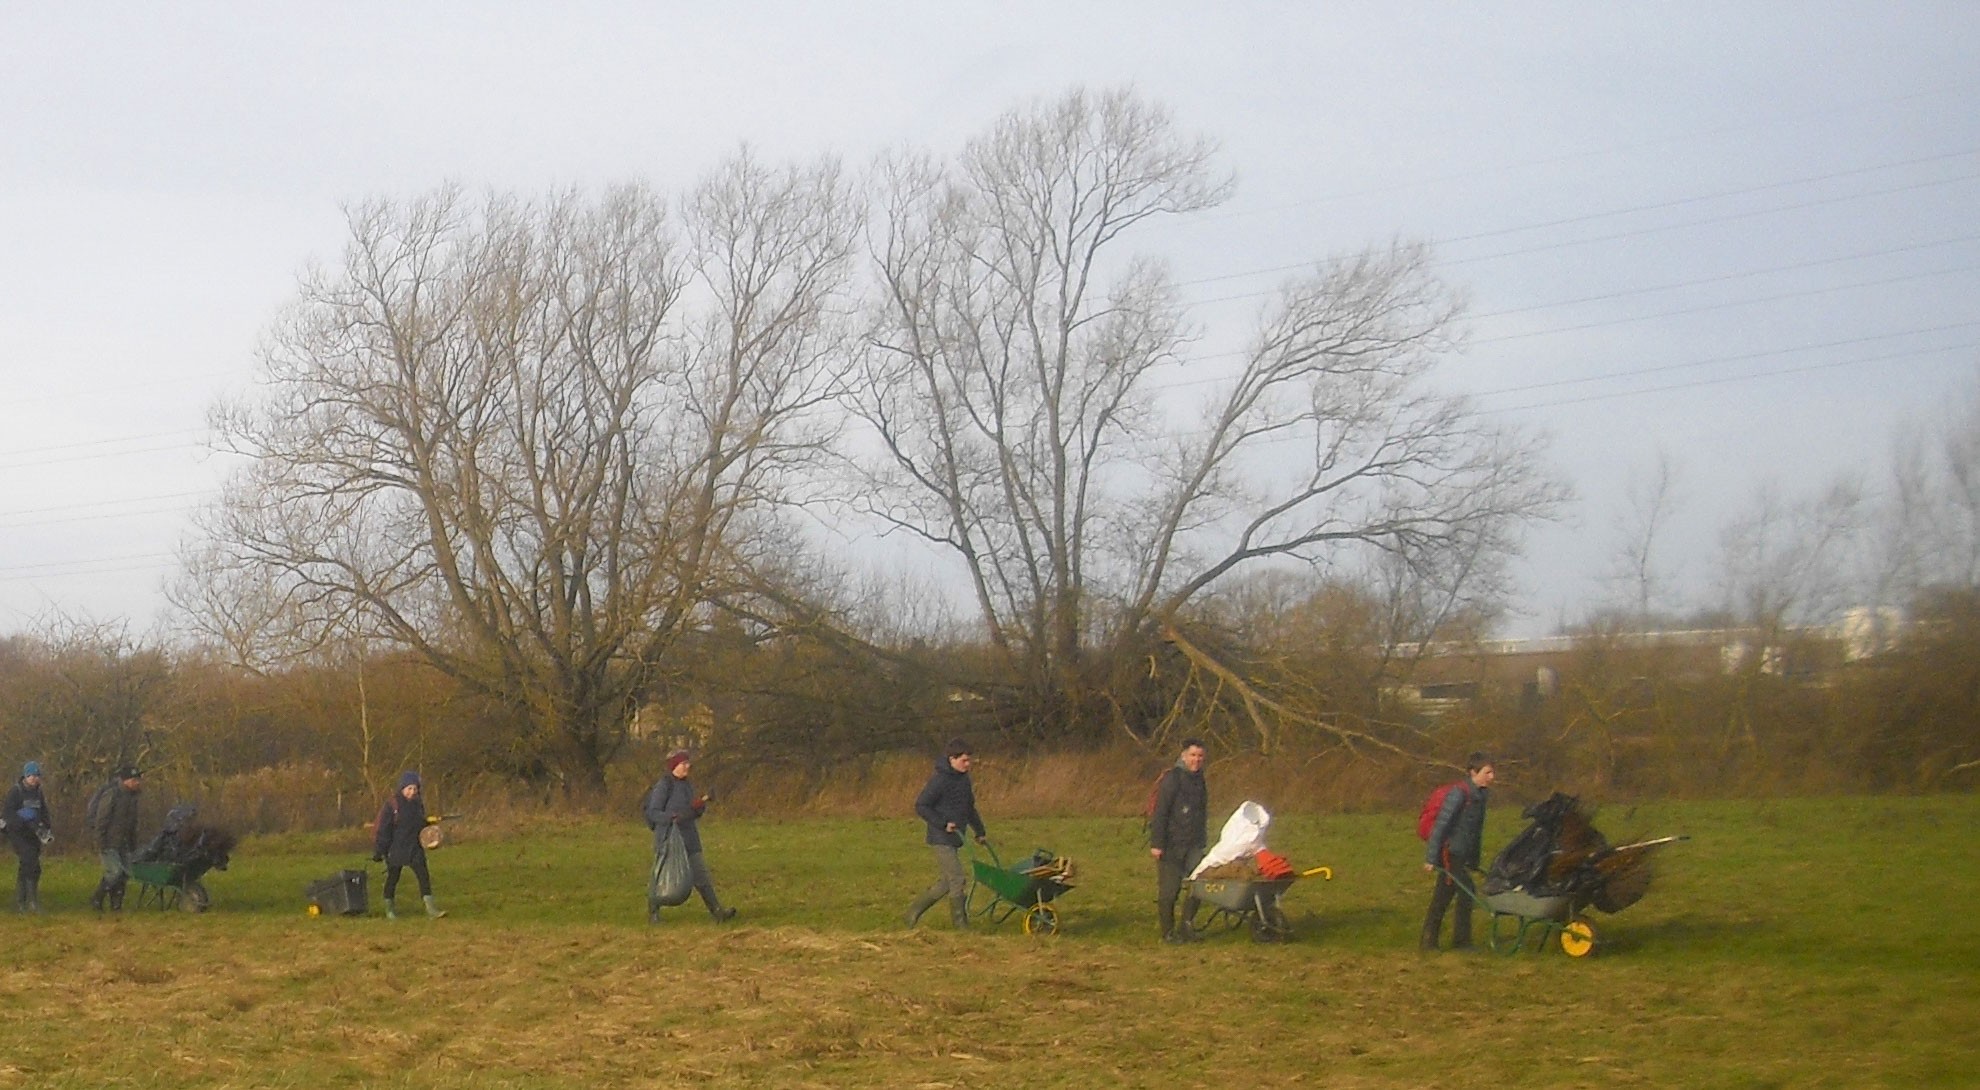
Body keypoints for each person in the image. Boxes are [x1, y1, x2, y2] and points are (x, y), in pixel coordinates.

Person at [642, 749, 737, 925]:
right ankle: (653, 912)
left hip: (689, 838)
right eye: (684, 763)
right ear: (674, 766)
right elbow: (653, 812)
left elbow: (691, 812)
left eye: (688, 763)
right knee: (660, 875)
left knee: (701, 876)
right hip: (668, 840)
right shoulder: (664, 785)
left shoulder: (687, 785)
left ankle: (717, 912)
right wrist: (672, 818)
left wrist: (698, 808)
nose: (688, 766)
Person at [903, 738, 987, 930]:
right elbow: (921, 806)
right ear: (952, 759)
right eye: (964, 760)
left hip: (957, 837)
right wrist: (943, 823)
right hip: (940, 838)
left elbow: (969, 808)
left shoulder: (964, 780)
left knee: (947, 882)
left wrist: (980, 831)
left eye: (969, 760)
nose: (968, 764)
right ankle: (961, 925)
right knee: (957, 878)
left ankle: (912, 912)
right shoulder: (939, 780)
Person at [1421, 751, 1496, 951]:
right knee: (1467, 892)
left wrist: (1473, 859)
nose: (1492, 777)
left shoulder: (1481, 795)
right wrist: (1431, 858)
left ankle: (1428, 942)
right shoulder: (1459, 793)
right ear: (1473, 772)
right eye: (1487, 772)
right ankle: (1461, 942)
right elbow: (1441, 826)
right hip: (1449, 853)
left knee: (1443, 897)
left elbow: (1475, 831)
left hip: (1461, 854)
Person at [1148, 738, 1209, 943]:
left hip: (1194, 844)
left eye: (1200, 756)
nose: (1196, 760)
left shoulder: (1200, 779)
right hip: (1171, 845)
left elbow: (1201, 814)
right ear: (1183, 756)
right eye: (1193, 755)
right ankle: (1168, 933)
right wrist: (1157, 844)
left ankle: (1187, 926)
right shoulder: (1172, 779)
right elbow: (1160, 813)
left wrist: (1202, 842)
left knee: (1199, 886)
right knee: (1169, 891)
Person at [373, 770, 446, 919]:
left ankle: (431, 910)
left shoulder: (418, 804)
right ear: (402, 788)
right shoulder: (392, 805)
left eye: (415, 788)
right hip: (396, 849)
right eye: (409, 788)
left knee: (424, 877)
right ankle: (390, 909)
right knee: (393, 878)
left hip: (415, 848)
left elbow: (419, 824)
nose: (412, 792)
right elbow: (383, 830)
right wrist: (379, 851)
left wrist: (429, 824)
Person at [89, 765, 144, 912]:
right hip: (109, 841)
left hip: (124, 843)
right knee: (114, 872)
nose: (137, 782)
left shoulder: (133, 797)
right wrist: (100, 842)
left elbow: (132, 824)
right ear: (125, 780)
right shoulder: (112, 794)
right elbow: (102, 819)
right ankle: (97, 898)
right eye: (134, 779)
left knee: (125, 874)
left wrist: (133, 844)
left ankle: (116, 905)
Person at [2, 761, 52, 912]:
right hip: (18, 835)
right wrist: (22, 819)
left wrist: (46, 827)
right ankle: (31, 902)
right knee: (30, 862)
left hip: (34, 835)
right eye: (32, 776)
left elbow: (43, 811)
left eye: (37, 776)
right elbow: (7, 814)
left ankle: (22, 901)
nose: (35, 779)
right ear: (25, 776)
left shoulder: (38, 793)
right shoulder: (15, 792)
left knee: (32, 866)